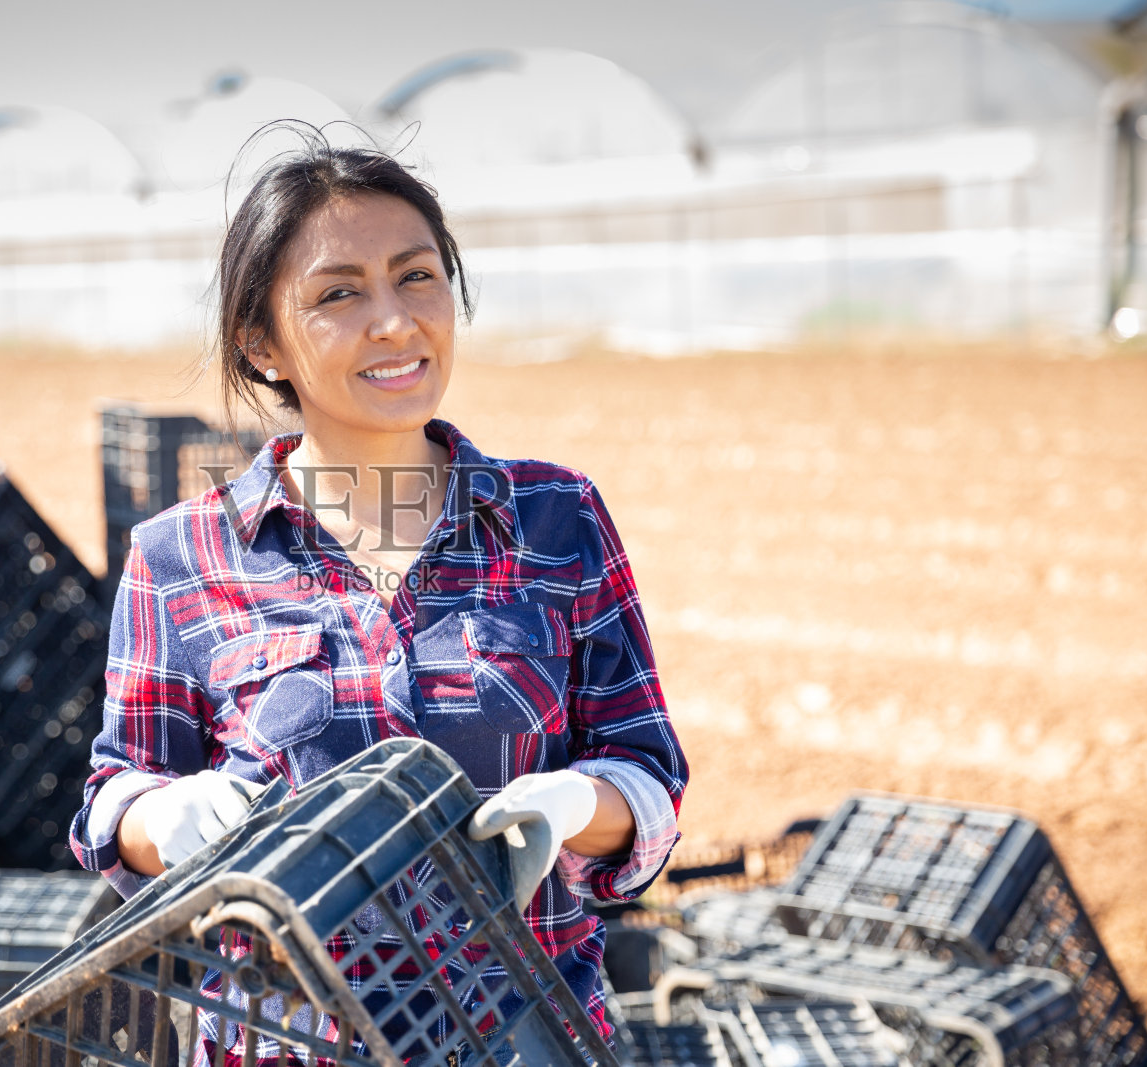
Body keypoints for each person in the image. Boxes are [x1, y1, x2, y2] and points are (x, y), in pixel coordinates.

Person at [70, 132, 688, 1066]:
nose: (395, 322)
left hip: (526, 1040)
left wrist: (573, 803)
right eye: (339, 294)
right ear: (261, 343)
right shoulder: (181, 555)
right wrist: (162, 818)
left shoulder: (556, 517)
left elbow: (646, 771)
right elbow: (114, 798)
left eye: (417, 277)